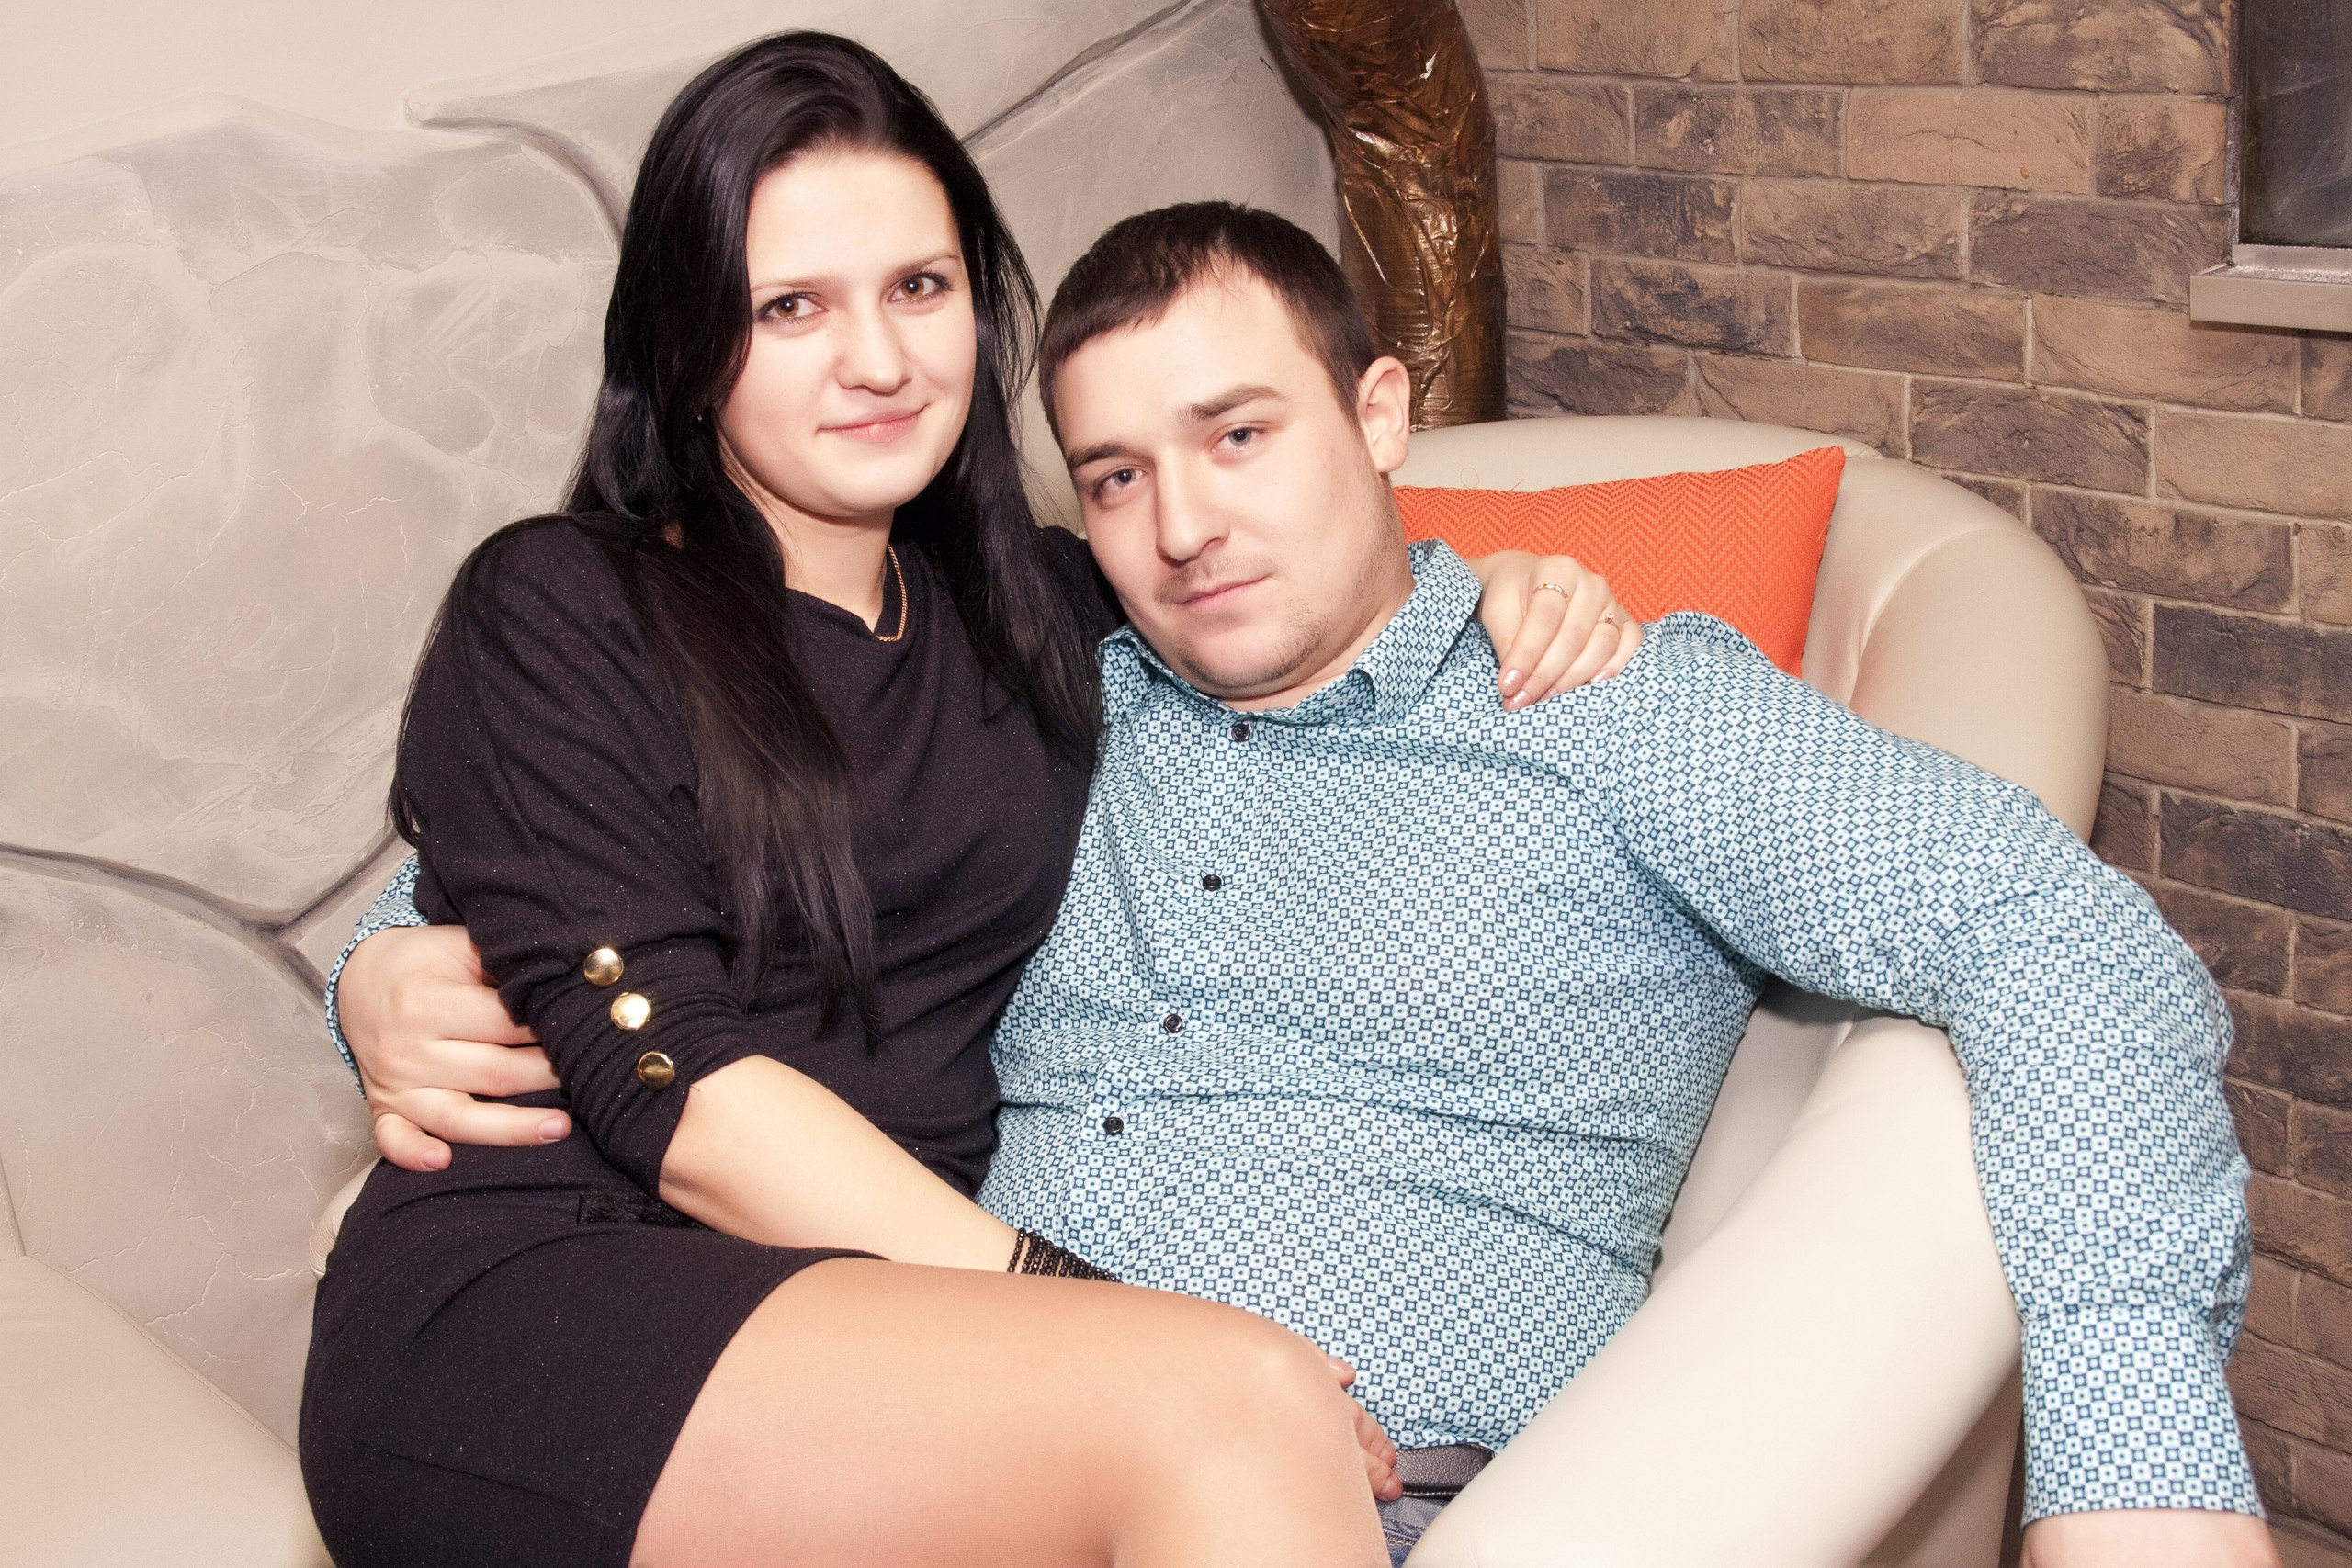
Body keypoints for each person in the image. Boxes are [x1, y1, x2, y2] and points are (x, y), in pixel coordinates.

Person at [343, 200, 2284, 1568]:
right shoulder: (1051, 701)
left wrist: (2133, 1474)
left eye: (1239, 435)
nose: (1182, 526)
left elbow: (2061, 938)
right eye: (1114, 476)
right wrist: (387, 959)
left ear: (1380, 418)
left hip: (1398, 1500)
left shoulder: (1602, 697)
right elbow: (624, 842)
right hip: (938, 1467)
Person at [300, 33, 1637, 1568]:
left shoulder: (1043, 615)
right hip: (547, 1304)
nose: (878, 360)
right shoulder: (566, 603)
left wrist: (1497, 585)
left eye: (919, 288)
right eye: (792, 307)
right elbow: (658, 1060)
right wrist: (371, 974)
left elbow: (1302, 565)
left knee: (1229, 1407)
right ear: (686, 339)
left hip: (892, 1326)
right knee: (1240, 1402)